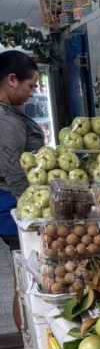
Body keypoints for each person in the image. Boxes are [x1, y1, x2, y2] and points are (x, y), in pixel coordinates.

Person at [0, 50, 43, 247]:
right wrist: (31, 210)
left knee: (23, 265)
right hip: (14, 205)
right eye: (30, 86)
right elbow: (14, 171)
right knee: (27, 261)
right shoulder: (5, 119)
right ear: (12, 80)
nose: (33, 93)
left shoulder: (10, 112)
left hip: (12, 204)